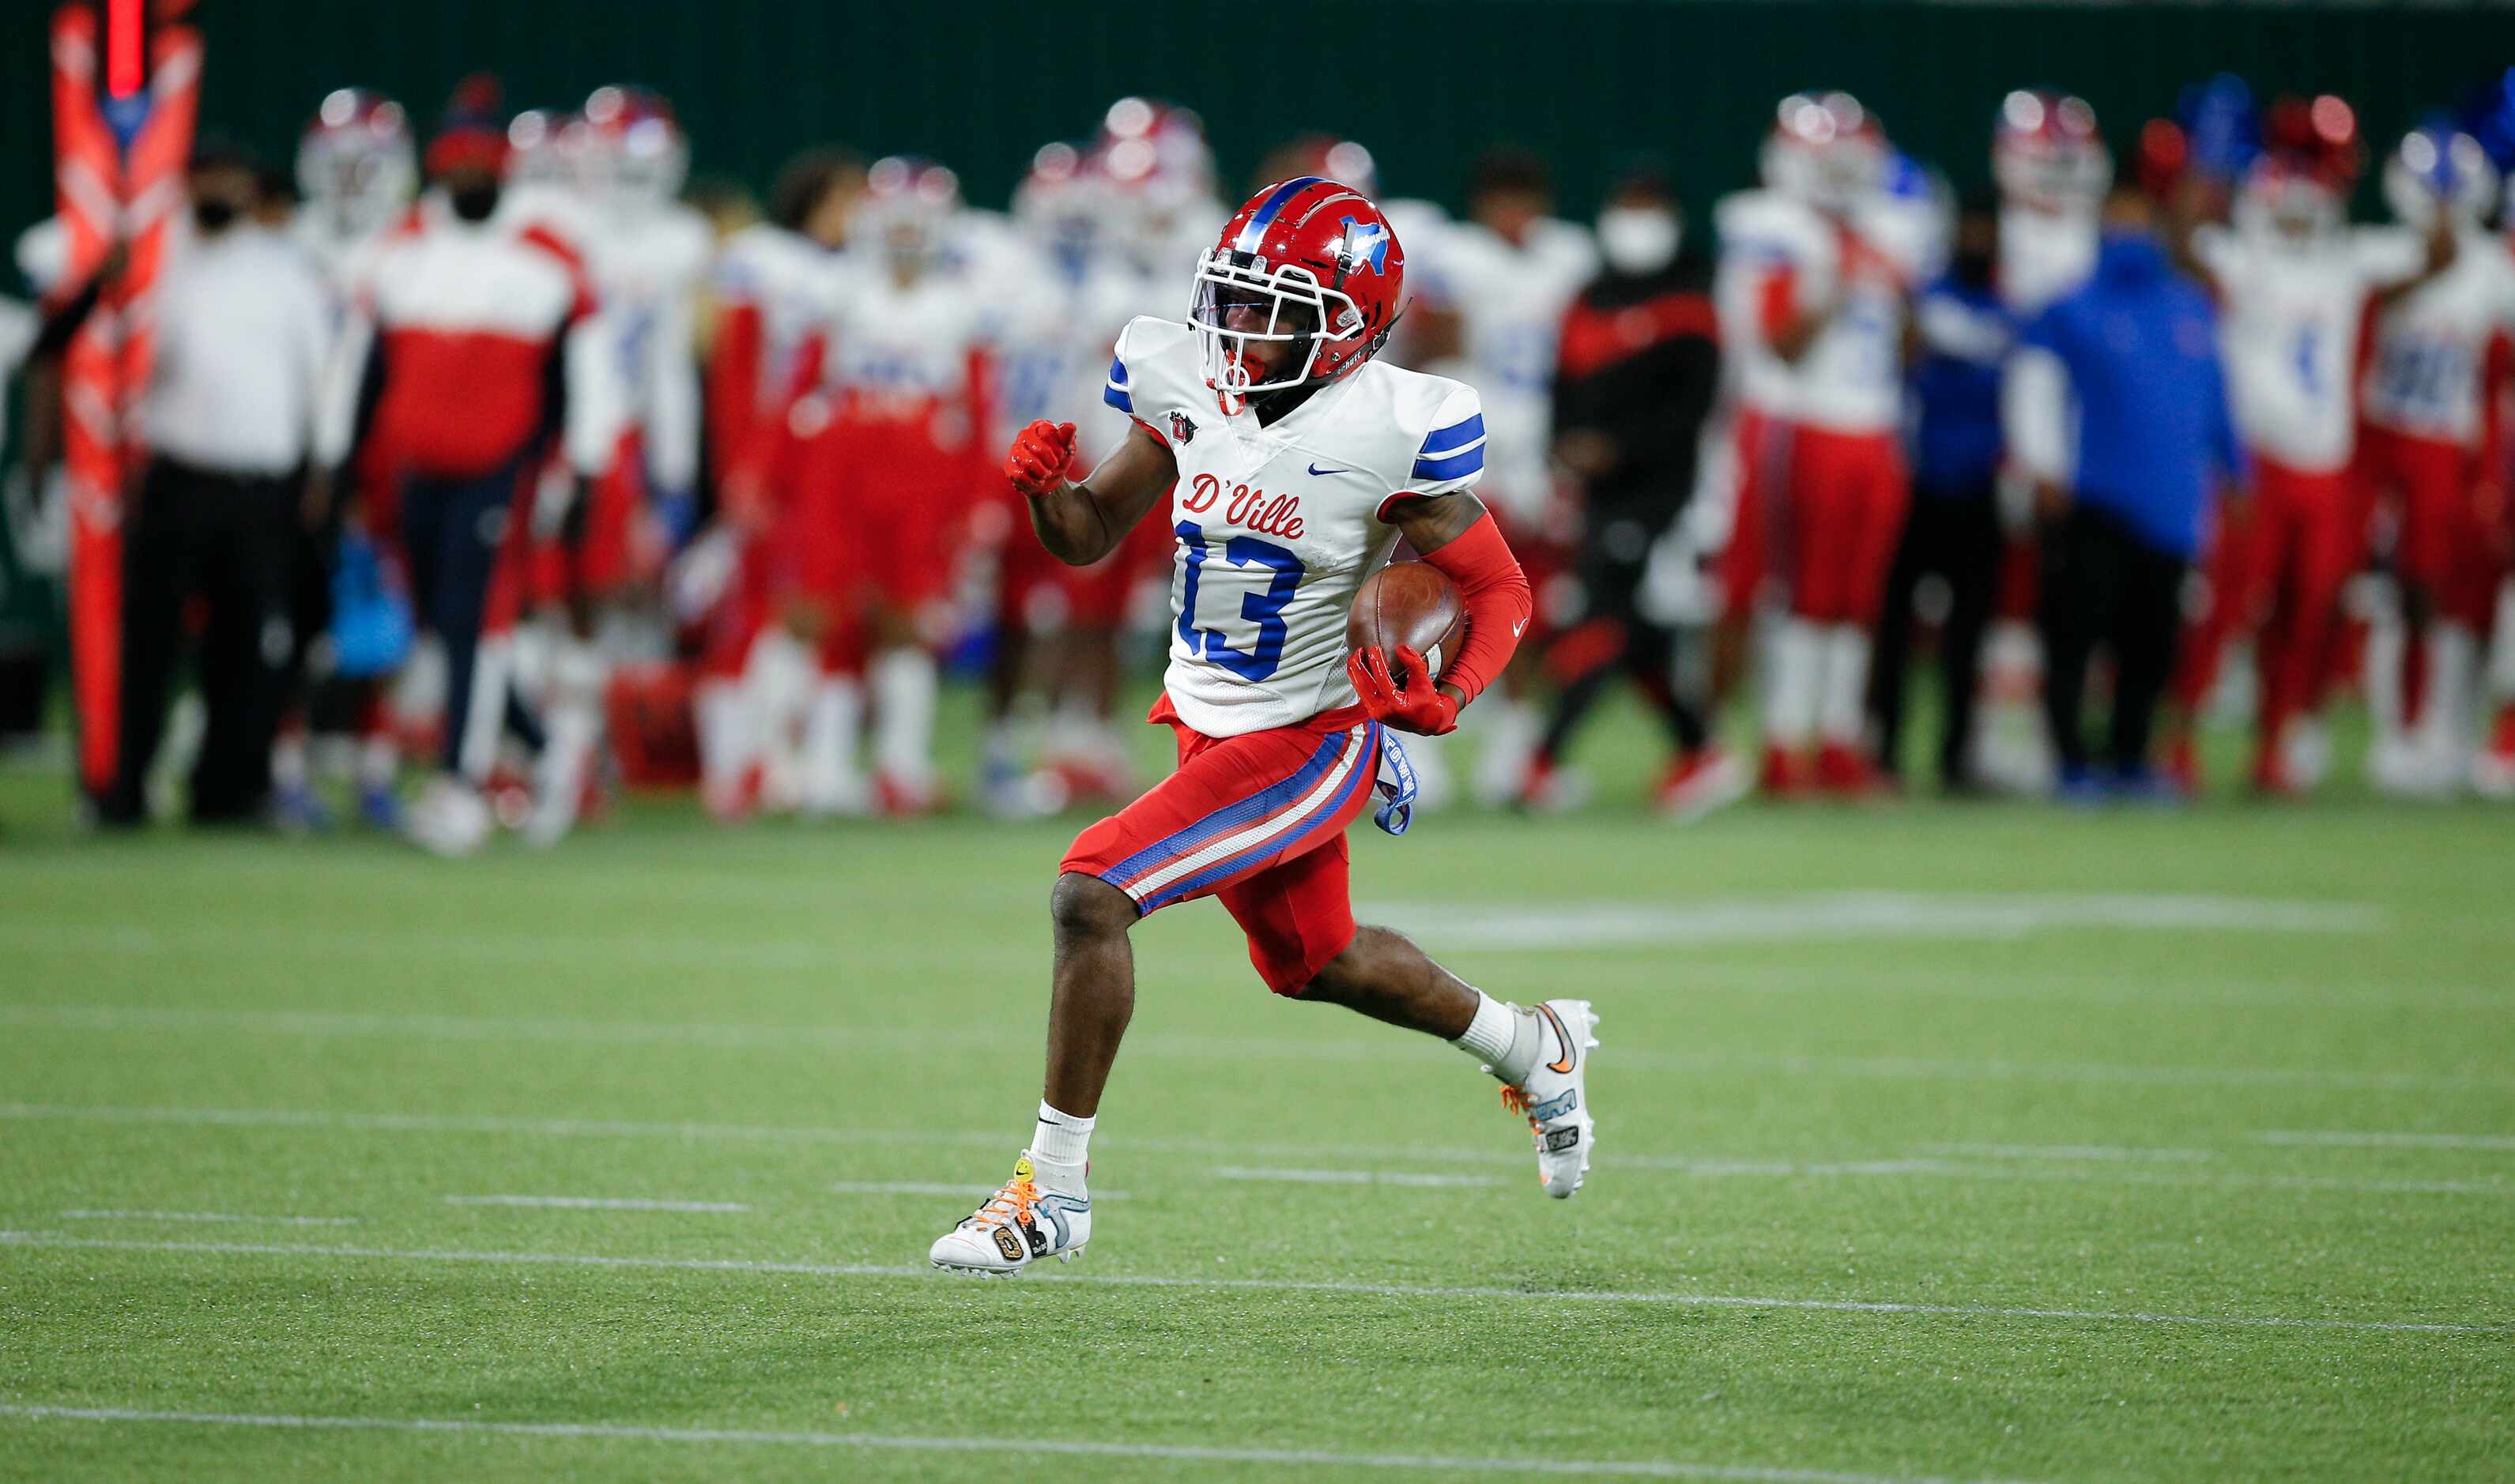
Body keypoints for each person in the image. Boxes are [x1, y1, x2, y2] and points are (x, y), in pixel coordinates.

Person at [930, 177, 1592, 1276]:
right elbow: (1093, 531)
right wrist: (1048, 494)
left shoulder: (1394, 425)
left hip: (1308, 736)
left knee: (1091, 892)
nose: (1243, 328)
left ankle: (1049, 1194)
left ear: (1351, 326)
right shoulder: (1184, 377)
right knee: (1314, 961)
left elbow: (1499, 588)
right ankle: (1533, 1044)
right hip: (1205, 718)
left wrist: (1450, 693)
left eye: (1278, 309)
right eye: (1233, 300)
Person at [318, 79, 606, 854]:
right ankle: (549, 750)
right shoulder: (402, 251)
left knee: (478, 620)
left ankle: (459, 784)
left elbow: (581, 376)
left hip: (498, 467)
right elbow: (365, 372)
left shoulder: (547, 255)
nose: (469, 178)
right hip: (416, 469)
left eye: (482, 164)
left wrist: (580, 469)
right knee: (445, 625)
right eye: (457, 164)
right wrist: (339, 464)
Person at [2167, 129, 2449, 796]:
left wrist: (2422, 191)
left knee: (2307, 610)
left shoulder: (2347, 262)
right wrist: (2196, 188)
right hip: (2254, 465)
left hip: (2324, 466)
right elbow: (2181, 248)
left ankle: (2273, 747)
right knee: (2226, 608)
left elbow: (2438, 255)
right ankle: (2176, 739)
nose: (2295, 216)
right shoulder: (2241, 258)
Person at [103, 143, 333, 827]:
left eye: (232, 181)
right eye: (208, 180)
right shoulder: (157, 265)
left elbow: (320, 377)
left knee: (251, 648)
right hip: (176, 477)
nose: (220, 192)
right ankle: (123, 788)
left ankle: (226, 791)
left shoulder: (285, 269)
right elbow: (119, 360)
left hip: (263, 486)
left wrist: (323, 469)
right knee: (149, 643)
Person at [2007, 186, 2244, 800]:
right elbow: (2034, 385)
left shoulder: (2191, 307)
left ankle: (2132, 757)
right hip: (2094, 499)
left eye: (2140, 223)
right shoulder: (2070, 307)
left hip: (2172, 505)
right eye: (2118, 224)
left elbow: (2216, 396)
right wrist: (2043, 465)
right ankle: (2069, 759)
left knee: (2153, 641)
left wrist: (2236, 470)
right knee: (2077, 636)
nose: (2129, 236)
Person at [1521, 165, 1737, 817]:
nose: (1636, 219)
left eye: (1649, 205)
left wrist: (1617, 450)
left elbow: (1692, 409)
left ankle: (1542, 759)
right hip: (1596, 490)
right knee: (1630, 627)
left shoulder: (1692, 300)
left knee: (1603, 613)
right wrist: (1564, 447)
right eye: (1627, 203)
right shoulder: (1589, 297)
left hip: (1661, 489)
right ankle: (1701, 751)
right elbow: (1560, 385)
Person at [1714, 92, 1913, 797]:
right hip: (1807, 421)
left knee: (1858, 598)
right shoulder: (1773, 226)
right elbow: (1780, 346)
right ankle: (1782, 742)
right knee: (1803, 593)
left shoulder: (1886, 230)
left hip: (1877, 423)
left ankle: (1838, 741)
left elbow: (1905, 350)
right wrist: (1833, 282)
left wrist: (1897, 288)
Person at [1409, 148, 1597, 806]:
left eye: (1527, 201)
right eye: (1504, 200)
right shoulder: (1453, 256)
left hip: (1539, 453)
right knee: (1434, 603)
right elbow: (1421, 343)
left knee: (1531, 607)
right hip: (1467, 448)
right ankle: (1414, 750)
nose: (1517, 216)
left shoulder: (1570, 256)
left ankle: (1514, 752)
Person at [693, 146, 860, 819]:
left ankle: (774, 763)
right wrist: (739, 466)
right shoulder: (761, 260)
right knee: (753, 613)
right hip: (765, 455)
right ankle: (733, 767)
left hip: (819, 464)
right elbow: (735, 368)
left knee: (803, 615)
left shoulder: (849, 273)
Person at [2356, 126, 2515, 797]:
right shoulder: (2377, 250)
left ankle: (2437, 731)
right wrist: (2423, 270)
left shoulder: (2492, 269)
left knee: (2437, 590)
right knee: (2371, 589)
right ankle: (2392, 731)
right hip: (2370, 436)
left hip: (2446, 444)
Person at [1868, 192, 2008, 796]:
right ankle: (1885, 750)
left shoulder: (2009, 306)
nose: (1977, 243)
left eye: (1987, 233)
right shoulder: (1922, 299)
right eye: (1969, 232)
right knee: (1893, 627)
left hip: (1982, 489)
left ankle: (1957, 757)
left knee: (1968, 634)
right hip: (1918, 483)